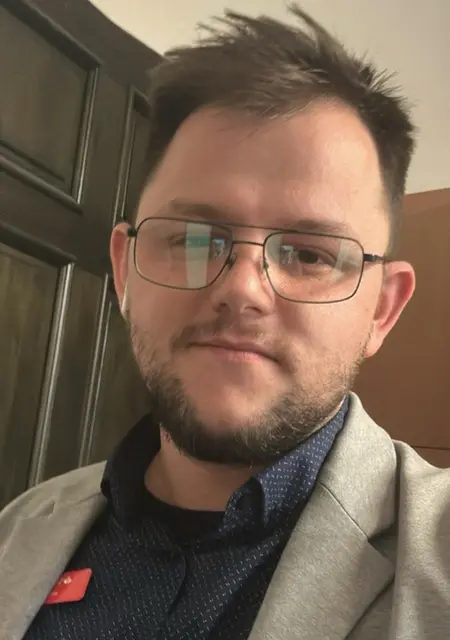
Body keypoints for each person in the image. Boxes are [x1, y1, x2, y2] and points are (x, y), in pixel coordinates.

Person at [1, 4, 449, 639]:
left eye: (311, 255)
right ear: (125, 273)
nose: (242, 289)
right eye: (192, 239)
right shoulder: (17, 528)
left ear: (382, 309)